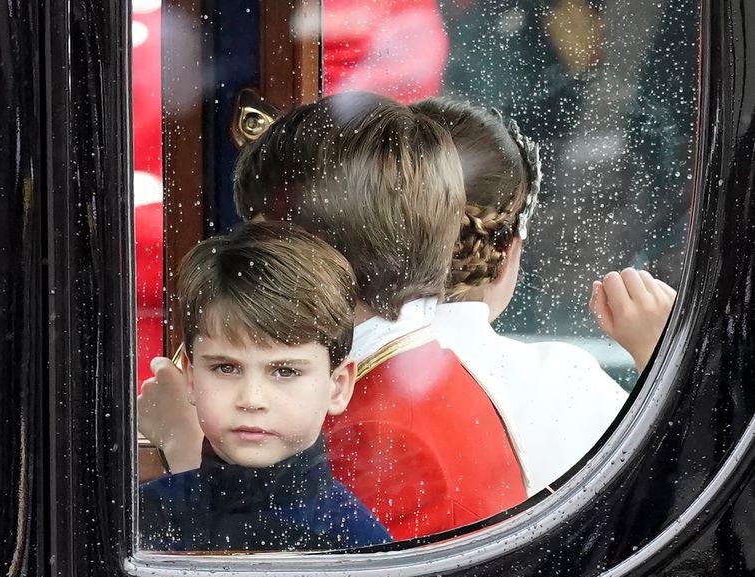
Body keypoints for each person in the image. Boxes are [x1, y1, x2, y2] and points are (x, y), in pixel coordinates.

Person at [141, 92, 527, 541]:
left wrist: (184, 443)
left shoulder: (382, 437)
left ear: (310, 249)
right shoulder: (413, 379)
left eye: (263, 238)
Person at [411, 97, 675, 493]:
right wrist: (661, 356)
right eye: (556, 200)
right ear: (508, 246)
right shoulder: (564, 386)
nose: (573, 223)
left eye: (603, 202)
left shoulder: (311, 362)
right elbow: (665, 497)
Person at [139, 221, 390, 552]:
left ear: (337, 386)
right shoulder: (143, 519)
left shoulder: (354, 545)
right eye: (225, 368)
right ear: (190, 375)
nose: (251, 399)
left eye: (285, 372)